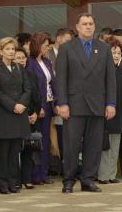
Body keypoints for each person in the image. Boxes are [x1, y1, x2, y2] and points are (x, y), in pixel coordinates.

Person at [55, 13, 116, 193]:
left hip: (97, 104)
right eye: (84, 24)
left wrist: (111, 103)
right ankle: (68, 180)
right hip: (74, 104)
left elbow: (110, 78)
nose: (88, 27)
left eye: (91, 24)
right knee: (71, 145)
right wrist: (63, 103)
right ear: (77, 27)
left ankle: (88, 179)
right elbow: (61, 79)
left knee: (94, 145)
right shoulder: (66, 48)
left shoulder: (104, 48)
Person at [0, 37, 31, 194]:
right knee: (2, 152)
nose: (11, 51)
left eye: (13, 49)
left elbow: (27, 89)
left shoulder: (20, 68)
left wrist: (22, 104)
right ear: (0, 51)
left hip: (19, 114)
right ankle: (2, 182)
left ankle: (14, 181)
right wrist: (13, 105)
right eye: (8, 49)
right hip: (3, 114)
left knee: (15, 151)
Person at [98, 39, 122, 184]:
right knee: (105, 146)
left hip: (119, 113)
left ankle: (112, 175)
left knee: (115, 145)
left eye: (119, 53)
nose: (116, 55)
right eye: (113, 52)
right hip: (105, 112)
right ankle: (102, 175)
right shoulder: (101, 71)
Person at [26, 32, 56, 185]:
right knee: (36, 140)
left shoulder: (48, 62)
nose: (47, 49)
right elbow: (31, 88)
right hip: (38, 106)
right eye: (45, 46)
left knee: (45, 140)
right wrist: (38, 108)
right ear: (37, 46)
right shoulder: (29, 63)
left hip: (49, 104)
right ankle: (35, 174)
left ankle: (44, 173)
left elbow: (51, 83)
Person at [47, 28, 74, 171]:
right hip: (51, 99)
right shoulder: (48, 55)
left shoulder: (71, 54)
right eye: (67, 40)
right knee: (52, 132)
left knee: (66, 133)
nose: (69, 43)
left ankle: (66, 166)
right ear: (58, 38)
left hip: (67, 98)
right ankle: (55, 165)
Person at [13, 48, 40, 189]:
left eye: (23, 57)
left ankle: (27, 178)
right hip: (16, 115)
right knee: (16, 149)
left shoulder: (32, 75)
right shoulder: (10, 75)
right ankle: (16, 180)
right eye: (18, 58)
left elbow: (37, 97)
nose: (21, 60)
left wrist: (35, 112)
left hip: (31, 116)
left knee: (29, 148)